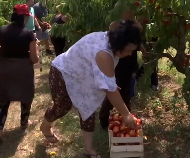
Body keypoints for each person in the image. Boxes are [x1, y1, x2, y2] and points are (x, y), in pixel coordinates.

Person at [40, 20, 142, 158]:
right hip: (63, 72)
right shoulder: (104, 53)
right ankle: (45, 126)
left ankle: (88, 150)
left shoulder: (111, 39)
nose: (130, 54)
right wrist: (126, 114)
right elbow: (111, 91)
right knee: (62, 107)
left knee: (89, 108)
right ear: (120, 44)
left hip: (83, 76)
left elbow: (106, 79)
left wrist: (110, 84)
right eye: (129, 50)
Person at [0, 4, 39, 142]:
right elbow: (34, 59)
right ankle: (24, 123)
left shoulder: (2, 30)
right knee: (26, 95)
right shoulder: (29, 34)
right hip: (23, 69)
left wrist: (0, 53)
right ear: (23, 18)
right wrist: (36, 52)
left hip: (4, 67)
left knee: (4, 98)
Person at [99, 10, 146, 130]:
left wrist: (142, 48)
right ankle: (104, 120)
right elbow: (114, 37)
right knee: (113, 90)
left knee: (126, 90)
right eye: (127, 11)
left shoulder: (135, 25)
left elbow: (136, 38)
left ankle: (127, 116)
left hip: (129, 64)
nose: (130, 14)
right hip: (118, 64)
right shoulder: (115, 25)